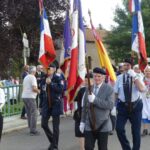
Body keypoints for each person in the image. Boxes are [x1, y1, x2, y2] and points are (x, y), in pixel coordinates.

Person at [80, 67, 114, 150]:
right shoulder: (89, 88)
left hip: (103, 124)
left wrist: (95, 100)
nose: (97, 78)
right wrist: (82, 122)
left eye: (99, 76)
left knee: (102, 148)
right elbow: (85, 107)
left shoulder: (109, 89)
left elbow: (110, 105)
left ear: (103, 77)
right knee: (88, 147)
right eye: (95, 76)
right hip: (89, 124)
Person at [115, 58, 145, 150]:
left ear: (132, 66)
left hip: (135, 106)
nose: (126, 67)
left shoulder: (138, 76)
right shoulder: (119, 78)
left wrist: (135, 77)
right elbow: (116, 93)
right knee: (119, 129)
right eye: (124, 65)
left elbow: (141, 89)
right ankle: (126, 148)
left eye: (128, 65)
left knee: (135, 131)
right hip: (123, 106)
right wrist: (113, 106)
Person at [40, 64, 64, 150]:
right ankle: (53, 142)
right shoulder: (43, 79)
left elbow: (61, 89)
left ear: (54, 69)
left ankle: (54, 146)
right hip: (46, 104)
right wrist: (40, 106)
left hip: (56, 104)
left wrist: (51, 84)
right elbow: (42, 93)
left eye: (49, 69)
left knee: (55, 127)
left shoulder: (58, 78)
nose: (47, 71)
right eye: (46, 69)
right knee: (43, 124)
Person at [74, 73, 93, 150]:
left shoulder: (95, 90)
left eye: (87, 80)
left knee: (90, 135)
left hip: (90, 115)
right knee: (80, 134)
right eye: (85, 80)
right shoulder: (81, 90)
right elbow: (74, 99)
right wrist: (76, 89)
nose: (86, 82)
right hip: (80, 114)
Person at [22, 66, 40, 135]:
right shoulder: (33, 77)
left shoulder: (26, 77)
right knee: (34, 113)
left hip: (24, 96)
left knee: (29, 113)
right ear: (34, 71)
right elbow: (34, 88)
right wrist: (39, 91)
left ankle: (30, 127)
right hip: (30, 97)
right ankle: (33, 130)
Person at [141, 65, 150, 136]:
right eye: (146, 71)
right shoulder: (142, 79)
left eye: (149, 71)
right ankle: (145, 129)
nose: (148, 72)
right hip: (144, 99)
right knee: (144, 114)